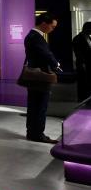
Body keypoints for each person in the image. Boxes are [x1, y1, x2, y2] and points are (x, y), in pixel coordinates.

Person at [24, 12, 61, 144]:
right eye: (52, 26)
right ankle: (38, 134)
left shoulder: (32, 35)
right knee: (40, 106)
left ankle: (32, 132)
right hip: (40, 76)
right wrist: (56, 64)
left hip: (34, 75)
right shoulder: (36, 37)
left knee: (33, 105)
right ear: (44, 23)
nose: (53, 29)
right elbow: (46, 54)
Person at [72, 22, 91, 102]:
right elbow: (78, 53)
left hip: (88, 64)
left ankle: (87, 97)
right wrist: (82, 64)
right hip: (82, 64)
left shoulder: (88, 37)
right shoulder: (77, 38)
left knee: (88, 81)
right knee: (82, 82)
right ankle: (82, 98)